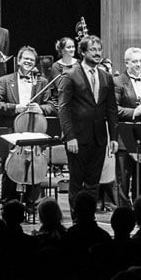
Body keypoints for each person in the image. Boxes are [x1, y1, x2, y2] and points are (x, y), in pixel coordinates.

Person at [57, 36, 118, 213]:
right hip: (77, 138)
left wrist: (114, 137)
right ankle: (77, 220)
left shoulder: (106, 77)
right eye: (93, 50)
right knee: (76, 184)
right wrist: (70, 136)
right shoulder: (70, 75)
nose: (97, 53)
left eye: (99, 49)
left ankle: (89, 219)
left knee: (93, 184)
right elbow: (63, 109)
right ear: (82, 52)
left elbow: (111, 109)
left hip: (99, 138)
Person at [0, 45, 57, 207]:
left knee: (35, 168)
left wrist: (40, 108)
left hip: (34, 129)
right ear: (19, 61)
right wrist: (15, 108)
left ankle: (31, 204)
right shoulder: (5, 80)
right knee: (9, 168)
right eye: (25, 59)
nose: (28, 62)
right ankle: (8, 205)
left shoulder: (42, 82)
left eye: (31, 59)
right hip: (12, 131)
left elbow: (52, 105)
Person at [114, 47, 141, 202]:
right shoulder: (118, 82)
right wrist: (134, 112)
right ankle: (124, 213)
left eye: (140, 61)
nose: (139, 64)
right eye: (134, 61)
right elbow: (114, 109)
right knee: (123, 182)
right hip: (126, 138)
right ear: (126, 63)